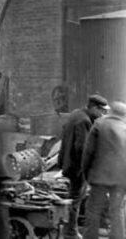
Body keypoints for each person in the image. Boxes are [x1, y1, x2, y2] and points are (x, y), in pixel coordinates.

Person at [59, 94, 108, 238]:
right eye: (101, 110)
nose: (103, 114)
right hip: (77, 168)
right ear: (93, 107)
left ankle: (70, 230)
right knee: (75, 200)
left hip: (68, 164)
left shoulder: (76, 114)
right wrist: (89, 169)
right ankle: (70, 232)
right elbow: (82, 149)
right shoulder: (84, 121)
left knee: (73, 200)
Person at [81, 100, 126, 239]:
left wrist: (86, 173)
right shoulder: (125, 127)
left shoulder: (100, 124)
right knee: (117, 210)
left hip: (99, 177)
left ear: (111, 111)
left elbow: (88, 152)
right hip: (120, 178)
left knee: (94, 210)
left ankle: (90, 237)